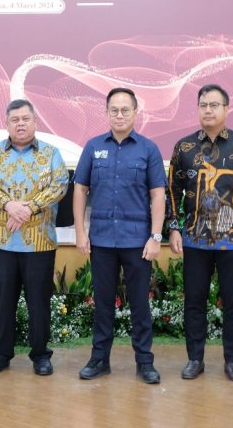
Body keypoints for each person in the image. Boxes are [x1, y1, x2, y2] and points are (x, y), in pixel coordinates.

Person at [166, 83, 233, 382]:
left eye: (214, 105)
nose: (208, 110)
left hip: (232, 240)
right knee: (195, 302)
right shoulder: (184, 147)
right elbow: (172, 190)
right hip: (194, 240)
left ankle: (232, 361)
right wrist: (174, 228)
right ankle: (195, 359)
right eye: (203, 105)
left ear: (226, 109)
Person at [72, 87, 167, 384]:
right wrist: (80, 232)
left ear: (136, 112)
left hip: (137, 241)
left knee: (140, 304)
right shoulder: (93, 147)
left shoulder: (148, 149)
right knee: (103, 304)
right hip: (101, 240)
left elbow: (158, 194)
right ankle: (99, 359)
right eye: (114, 110)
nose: (120, 115)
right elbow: (80, 189)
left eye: (125, 110)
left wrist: (155, 236)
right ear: (106, 113)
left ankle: (145, 362)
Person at [0, 99, 69, 376]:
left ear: (35, 122)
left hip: (39, 242)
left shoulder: (51, 153)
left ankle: (40, 355)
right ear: (7, 124)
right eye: (14, 120)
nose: (20, 124)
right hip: (2, 242)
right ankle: (0, 354)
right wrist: (8, 205)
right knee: (3, 302)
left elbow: (60, 184)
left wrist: (28, 208)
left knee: (39, 303)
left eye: (25, 119)